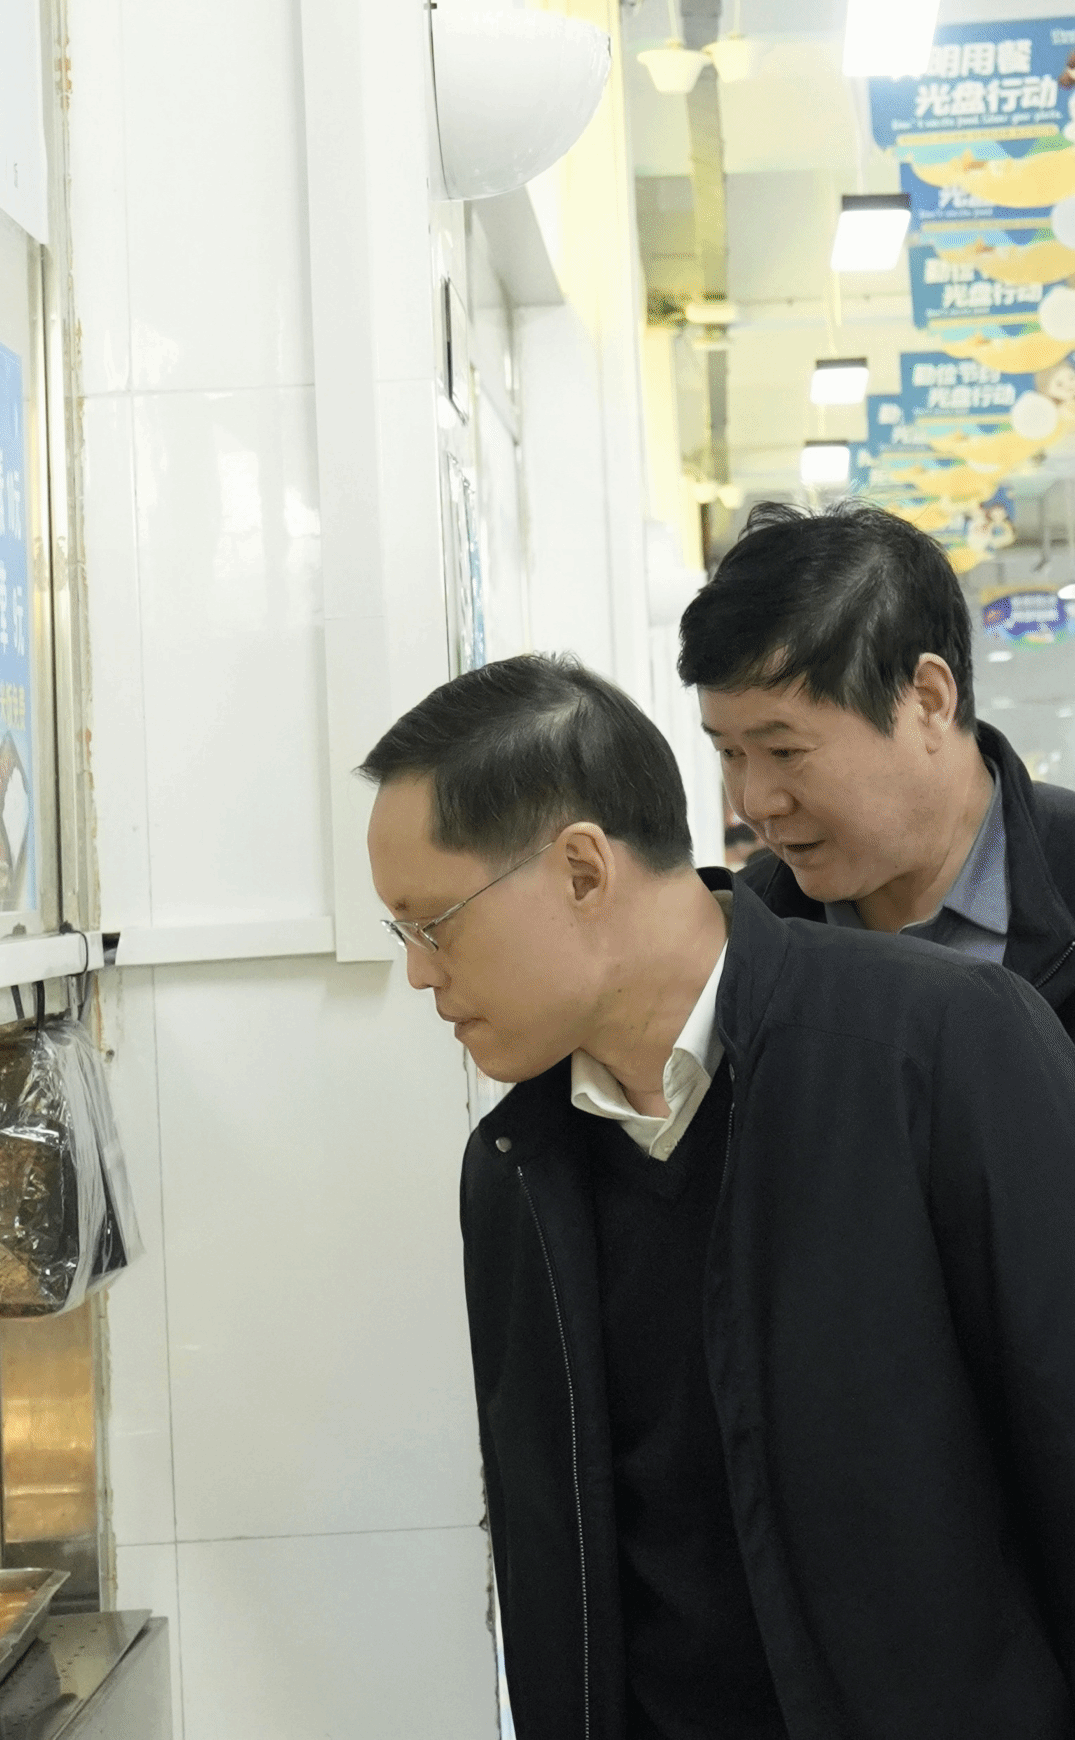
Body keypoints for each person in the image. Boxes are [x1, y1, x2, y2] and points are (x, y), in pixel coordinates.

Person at [362, 653, 1075, 1740]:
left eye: (433, 922)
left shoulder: (935, 1048)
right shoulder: (513, 1168)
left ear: (582, 870)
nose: (419, 973)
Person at [676, 500, 1075, 1035]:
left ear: (927, 701)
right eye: (729, 753)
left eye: (785, 752)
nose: (754, 803)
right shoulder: (734, 941)